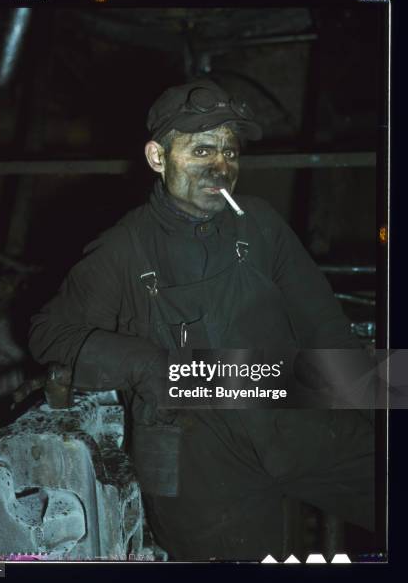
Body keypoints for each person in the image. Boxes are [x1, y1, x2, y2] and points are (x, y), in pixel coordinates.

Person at [28, 79, 375, 561]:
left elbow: (325, 326)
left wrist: (372, 405)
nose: (221, 168)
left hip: (294, 417)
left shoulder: (260, 225)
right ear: (157, 158)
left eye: (230, 153)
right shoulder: (124, 248)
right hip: (199, 463)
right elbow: (49, 333)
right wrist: (150, 367)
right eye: (203, 151)